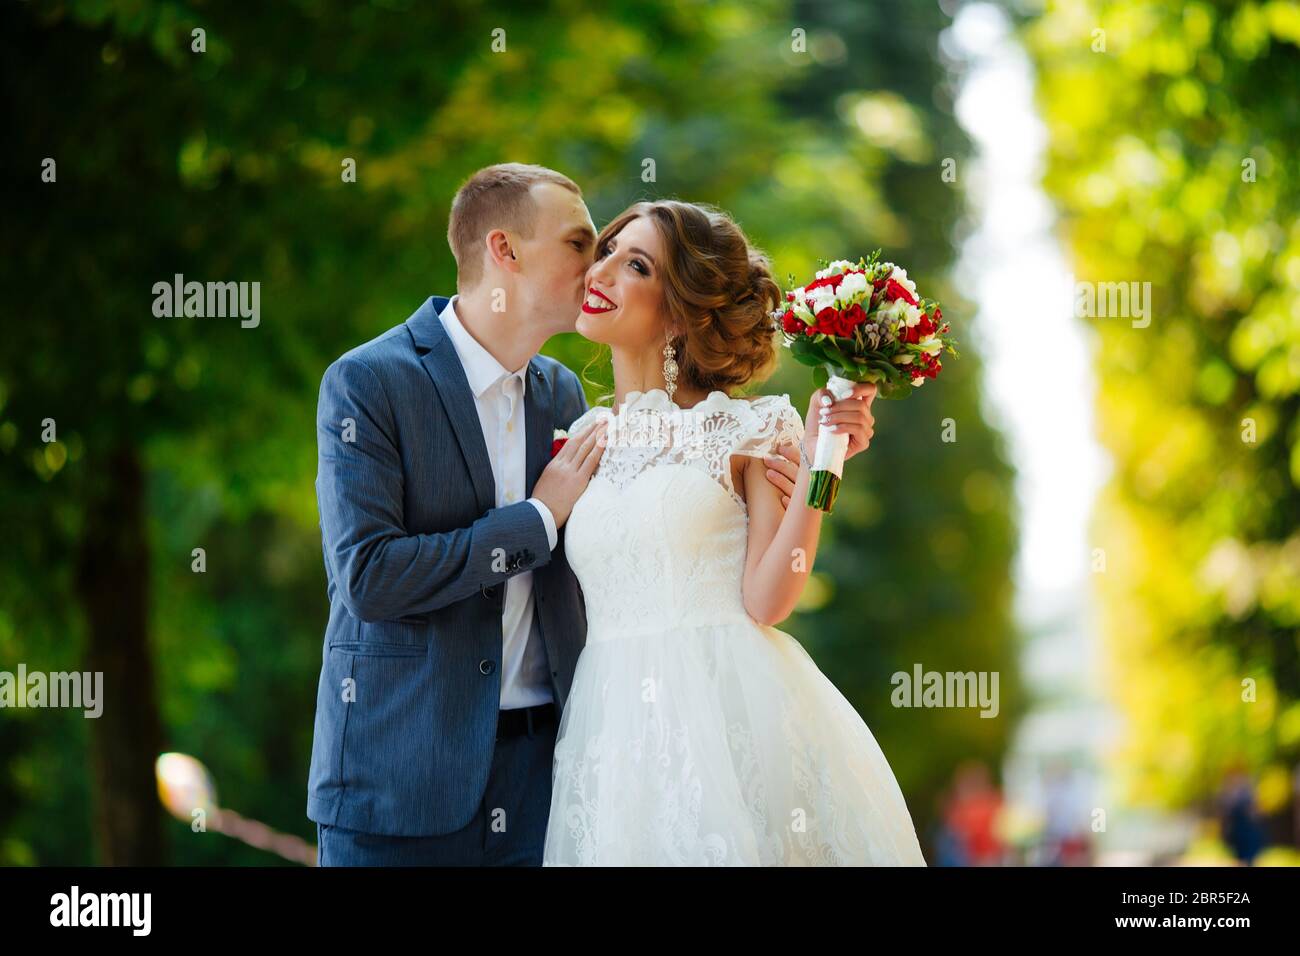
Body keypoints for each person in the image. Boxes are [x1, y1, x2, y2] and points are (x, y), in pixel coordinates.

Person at [541, 199, 925, 865]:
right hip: (613, 738)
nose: (600, 272)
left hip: (731, 718)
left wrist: (821, 467)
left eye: (635, 265)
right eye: (605, 250)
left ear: (680, 311)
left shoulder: (749, 427)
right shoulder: (578, 444)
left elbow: (768, 600)